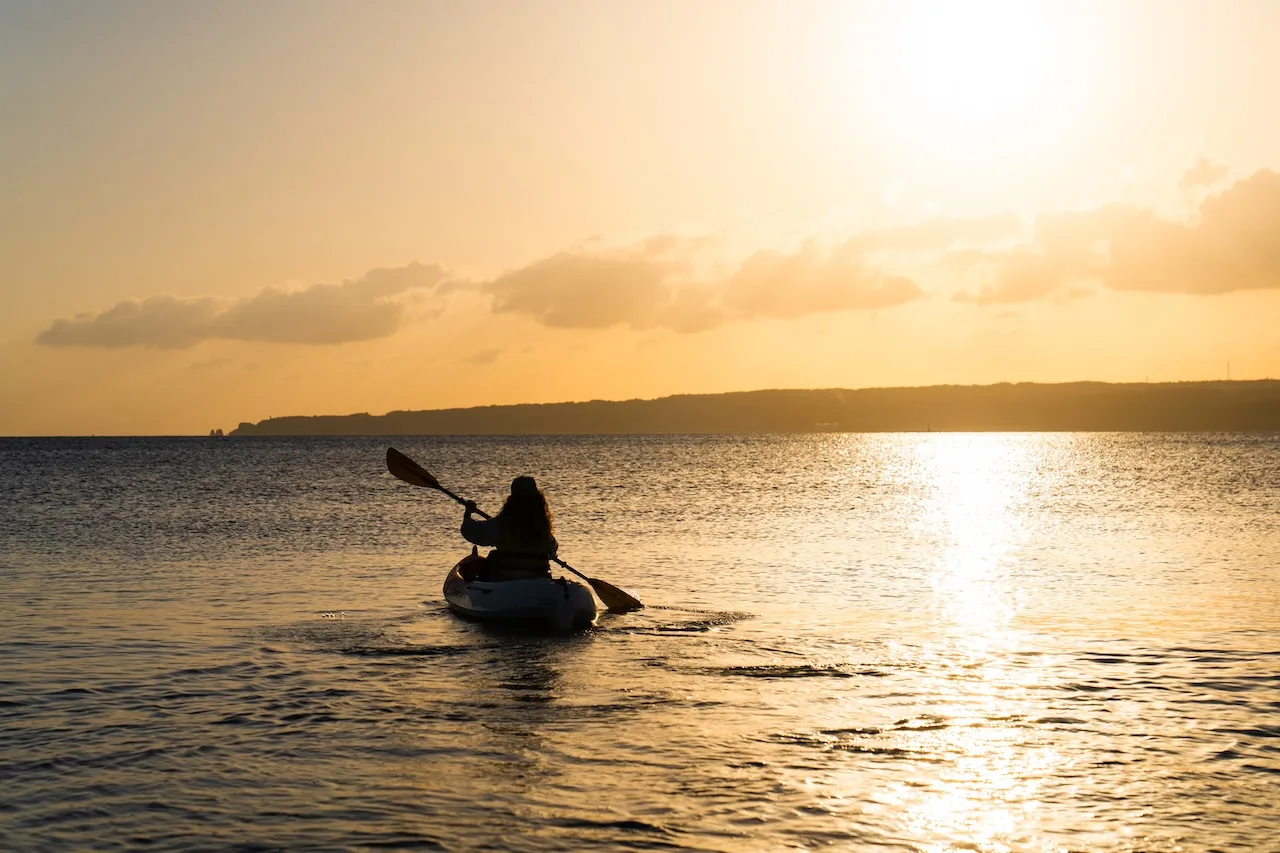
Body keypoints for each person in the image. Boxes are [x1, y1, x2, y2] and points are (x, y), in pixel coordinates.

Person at [460, 475, 558, 581]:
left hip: (506, 580)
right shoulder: (543, 530)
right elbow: (552, 550)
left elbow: (471, 532)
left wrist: (468, 514)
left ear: (512, 500)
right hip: (539, 579)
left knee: (492, 558)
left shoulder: (500, 525)